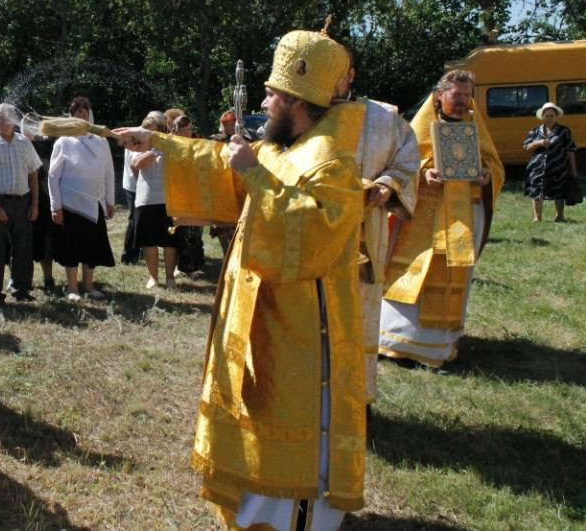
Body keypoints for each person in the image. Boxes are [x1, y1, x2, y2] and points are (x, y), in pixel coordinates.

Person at [115, 27, 367, 529]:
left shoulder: (332, 160)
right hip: (259, 314)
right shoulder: (285, 145)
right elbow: (225, 165)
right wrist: (158, 140)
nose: (266, 100)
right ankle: (255, 511)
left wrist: (252, 171)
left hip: (301, 331)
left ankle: (294, 515)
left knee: (286, 422)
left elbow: (313, 237)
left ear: (297, 100)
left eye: (274, 94)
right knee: (254, 415)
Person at [379, 70, 504, 368]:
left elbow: (494, 165)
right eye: (457, 95)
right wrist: (424, 172)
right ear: (439, 95)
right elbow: (399, 164)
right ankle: (395, 341)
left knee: (452, 274)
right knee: (411, 271)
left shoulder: (475, 125)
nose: (462, 101)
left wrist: (487, 175)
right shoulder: (420, 127)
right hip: (424, 215)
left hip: (463, 214)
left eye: (467, 95)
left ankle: (436, 347)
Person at [332, 52, 420, 405]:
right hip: (312, 227)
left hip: (365, 228)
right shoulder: (302, 112)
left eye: (335, 73)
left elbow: (408, 157)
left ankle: (357, 403)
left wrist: (387, 184)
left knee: (359, 314)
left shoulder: (383, 116)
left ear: (350, 74)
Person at [0, 103, 41, 309]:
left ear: (15, 119)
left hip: (23, 202)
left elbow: (33, 174)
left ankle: (21, 289)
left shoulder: (24, 143)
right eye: (0, 116)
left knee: (23, 247)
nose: (5, 120)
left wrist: (35, 204)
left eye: (9, 116)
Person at [47, 96, 116, 302]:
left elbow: (109, 173)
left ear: (90, 114)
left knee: (92, 246)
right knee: (72, 247)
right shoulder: (63, 141)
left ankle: (88, 286)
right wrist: (55, 206)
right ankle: (72, 288)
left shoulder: (101, 141)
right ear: (72, 116)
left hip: (94, 203)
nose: (82, 114)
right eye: (77, 111)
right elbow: (53, 176)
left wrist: (110, 200)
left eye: (85, 111)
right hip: (70, 204)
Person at [131, 111, 178, 289]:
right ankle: (153, 277)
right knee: (148, 241)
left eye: (150, 130)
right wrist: (156, 150)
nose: (146, 133)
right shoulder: (136, 146)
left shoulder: (171, 144)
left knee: (169, 240)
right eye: (145, 130)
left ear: (161, 130)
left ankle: (170, 278)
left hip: (169, 199)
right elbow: (137, 164)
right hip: (146, 198)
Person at [523, 102, 579, 222]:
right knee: (536, 191)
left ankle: (559, 216)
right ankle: (537, 217)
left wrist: (573, 170)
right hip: (537, 167)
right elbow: (526, 147)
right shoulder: (535, 131)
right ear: (542, 117)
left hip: (558, 167)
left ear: (556, 116)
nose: (549, 118)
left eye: (551, 115)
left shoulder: (564, 131)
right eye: (546, 116)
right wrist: (538, 143)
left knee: (559, 191)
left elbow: (570, 150)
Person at [170, 114, 206, 277]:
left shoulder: (199, 144)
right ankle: (180, 266)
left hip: (196, 193)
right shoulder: (170, 144)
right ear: (175, 130)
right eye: (182, 129)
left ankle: (194, 265)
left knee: (196, 231)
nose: (186, 132)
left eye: (189, 128)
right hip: (177, 193)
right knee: (180, 230)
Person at [31, 133, 61, 293]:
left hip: (45, 201)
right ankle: (18, 278)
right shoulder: (19, 143)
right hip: (24, 201)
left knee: (45, 241)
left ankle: (48, 277)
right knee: (21, 243)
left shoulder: (49, 145)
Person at [208, 110, 237, 256]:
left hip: (239, 186)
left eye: (232, 123)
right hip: (220, 187)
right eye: (227, 124)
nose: (230, 127)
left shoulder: (246, 137)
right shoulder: (215, 140)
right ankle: (226, 256)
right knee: (221, 226)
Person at [119, 146, 141, 265]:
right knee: (135, 220)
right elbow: (134, 165)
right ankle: (128, 255)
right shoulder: (138, 138)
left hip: (137, 185)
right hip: (135, 186)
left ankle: (138, 251)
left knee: (138, 220)